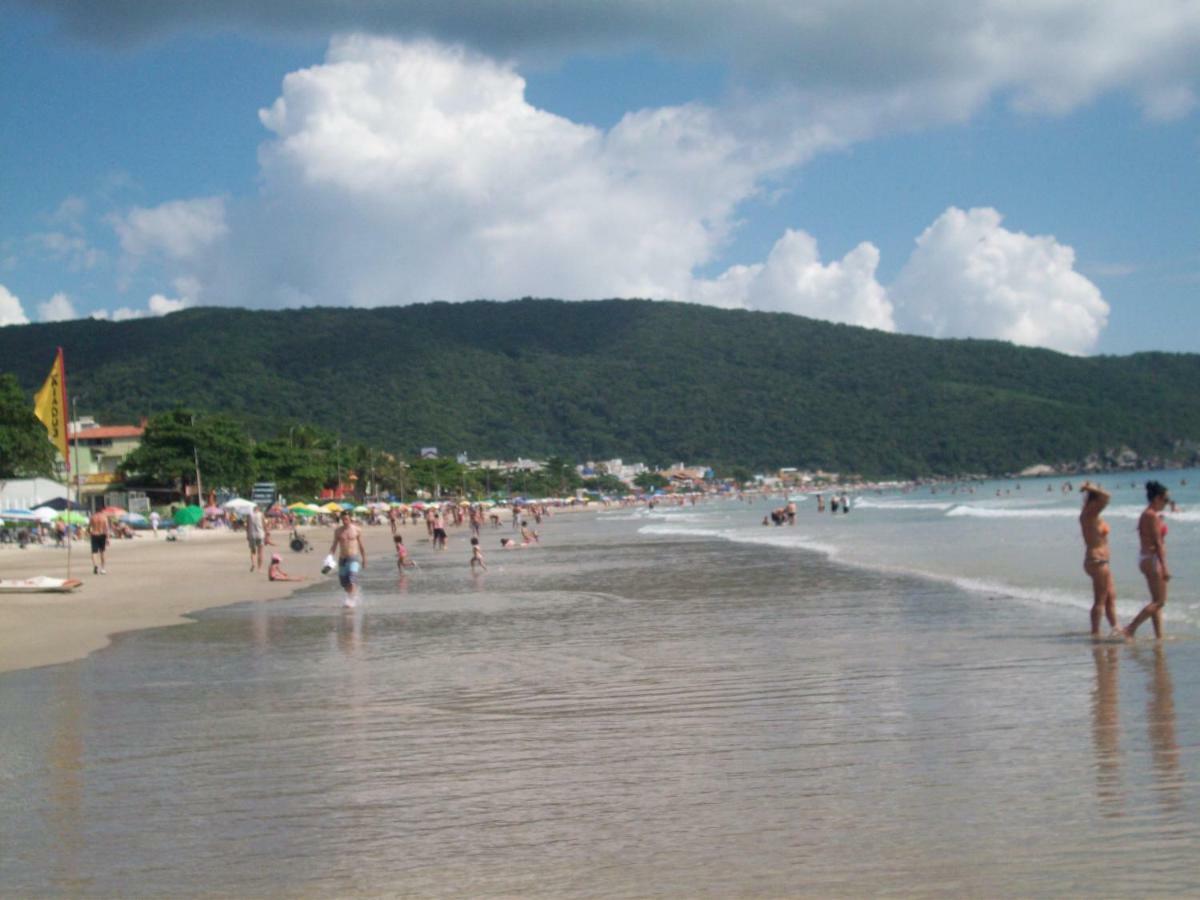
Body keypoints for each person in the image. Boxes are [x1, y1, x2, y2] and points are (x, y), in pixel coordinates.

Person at [1123, 481, 1172, 639]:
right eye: (1165, 500)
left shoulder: (1147, 514)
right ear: (1157, 498)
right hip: (1152, 559)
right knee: (1160, 602)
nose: (1166, 503)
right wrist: (1164, 567)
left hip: (1145, 558)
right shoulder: (1151, 516)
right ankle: (1130, 629)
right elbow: (1158, 543)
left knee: (1155, 601)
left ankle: (1159, 636)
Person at [1079, 481, 1119, 636]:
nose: (1103, 505)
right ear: (1095, 500)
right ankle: (1095, 632)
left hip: (1100, 561)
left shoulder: (1092, 515)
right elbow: (1107, 497)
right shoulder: (1088, 514)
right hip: (1096, 560)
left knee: (1110, 597)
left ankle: (1116, 628)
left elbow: (1105, 498)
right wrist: (1089, 487)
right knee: (1100, 600)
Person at [330, 510, 367, 608]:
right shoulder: (338, 531)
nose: (344, 521)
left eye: (346, 519)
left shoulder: (357, 530)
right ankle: (352, 595)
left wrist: (364, 559)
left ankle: (351, 601)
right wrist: (329, 558)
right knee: (344, 584)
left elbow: (361, 545)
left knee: (352, 579)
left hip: (353, 558)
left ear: (350, 518)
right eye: (343, 519)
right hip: (342, 559)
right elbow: (334, 546)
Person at [88, 508, 110, 574]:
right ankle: (103, 568)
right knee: (102, 552)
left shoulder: (93, 517)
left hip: (94, 535)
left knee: (94, 552)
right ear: (102, 511)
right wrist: (107, 538)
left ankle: (95, 566)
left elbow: (89, 527)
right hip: (102, 535)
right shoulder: (104, 517)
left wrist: (89, 533)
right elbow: (106, 528)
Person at [246, 504, 267, 572]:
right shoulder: (261, 514)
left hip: (252, 535)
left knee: (253, 551)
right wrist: (266, 534)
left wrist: (247, 535)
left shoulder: (249, 515)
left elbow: (247, 526)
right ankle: (259, 568)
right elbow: (264, 525)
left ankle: (253, 563)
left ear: (253, 509)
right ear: (259, 509)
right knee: (260, 552)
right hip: (260, 535)